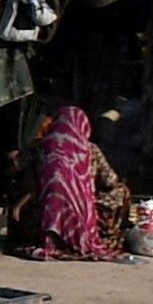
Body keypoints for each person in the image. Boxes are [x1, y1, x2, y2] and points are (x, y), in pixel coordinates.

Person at [20, 102, 120, 260]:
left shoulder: (38, 147)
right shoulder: (91, 149)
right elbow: (110, 180)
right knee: (121, 193)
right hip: (82, 221)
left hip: (41, 219)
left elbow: (19, 171)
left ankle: (30, 236)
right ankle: (99, 235)